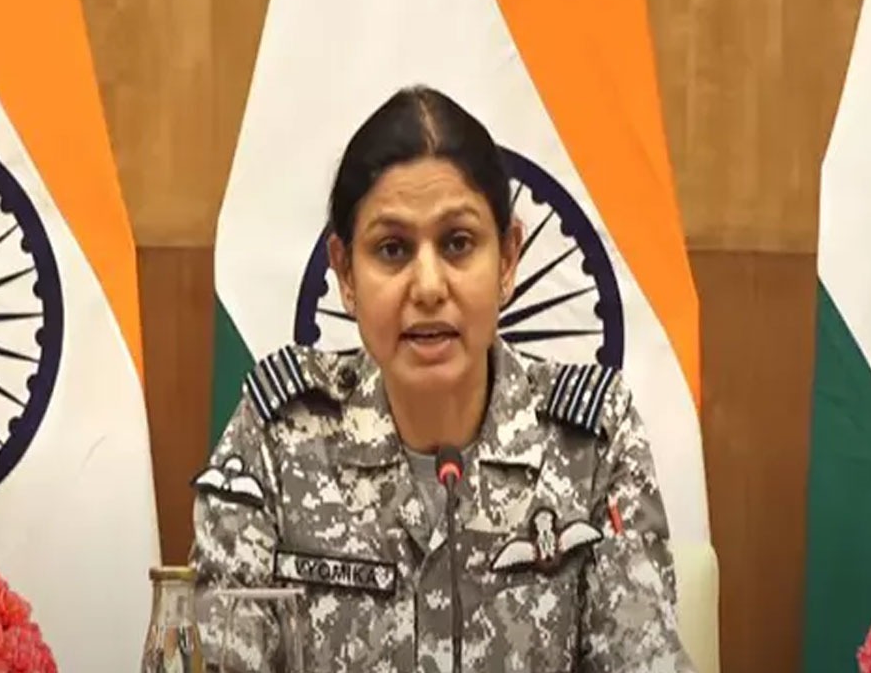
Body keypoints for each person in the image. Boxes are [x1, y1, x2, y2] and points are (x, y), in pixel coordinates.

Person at [189, 85, 696, 672]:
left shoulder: (592, 442)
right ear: (345, 274)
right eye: (392, 250)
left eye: (458, 244)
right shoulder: (279, 435)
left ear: (507, 259)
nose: (428, 286)